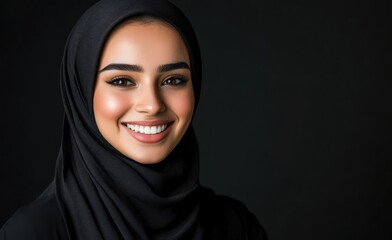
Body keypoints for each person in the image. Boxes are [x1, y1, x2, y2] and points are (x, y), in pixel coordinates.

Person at [0, 0, 267, 239]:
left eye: (173, 80)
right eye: (122, 81)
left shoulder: (236, 226)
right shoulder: (34, 232)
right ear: (80, 91)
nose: (152, 105)